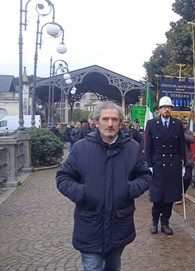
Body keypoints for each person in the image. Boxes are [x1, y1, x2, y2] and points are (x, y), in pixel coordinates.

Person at [55, 101, 151, 270]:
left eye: (114, 119)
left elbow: (144, 176)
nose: (110, 123)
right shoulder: (81, 148)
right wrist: (82, 192)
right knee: (93, 266)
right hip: (90, 222)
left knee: (113, 267)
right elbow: (63, 177)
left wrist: (129, 189)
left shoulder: (132, 148)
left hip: (119, 222)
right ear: (96, 122)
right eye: (105, 119)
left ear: (121, 123)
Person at [145, 96, 186, 235]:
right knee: (157, 197)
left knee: (170, 197)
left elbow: (181, 146)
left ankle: (165, 223)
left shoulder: (178, 124)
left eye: (169, 107)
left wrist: (184, 164)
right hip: (157, 164)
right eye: (164, 107)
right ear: (160, 109)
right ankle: (154, 221)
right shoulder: (151, 124)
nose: (166, 109)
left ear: (171, 109)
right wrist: (149, 164)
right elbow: (148, 147)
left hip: (173, 163)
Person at [175, 119, 195, 205]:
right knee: (177, 178)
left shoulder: (188, 132)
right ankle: (178, 195)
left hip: (187, 159)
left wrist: (182, 134)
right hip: (177, 159)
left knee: (188, 177)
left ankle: (184, 190)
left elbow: (192, 140)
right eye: (182, 124)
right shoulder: (173, 131)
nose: (184, 125)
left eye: (185, 124)